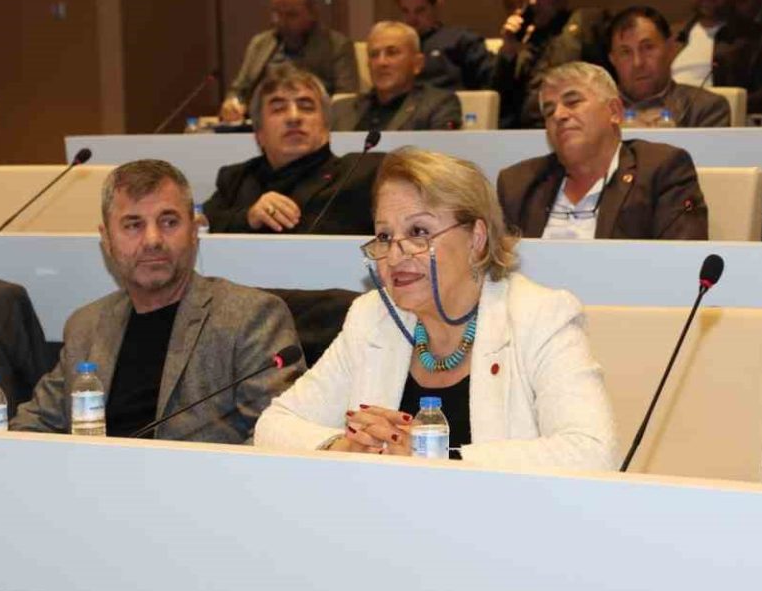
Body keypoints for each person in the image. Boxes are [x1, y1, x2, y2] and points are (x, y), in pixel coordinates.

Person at [254, 147, 619, 470]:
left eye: (418, 232)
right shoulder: (373, 316)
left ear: (476, 239)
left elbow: (593, 451)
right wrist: (345, 445)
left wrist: (438, 459)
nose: (395, 255)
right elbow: (274, 424)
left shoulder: (540, 317)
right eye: (384, 236)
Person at [12, 160, 303, 442]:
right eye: (133, 225)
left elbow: (279, 436)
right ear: (107, 239)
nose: (152, 240)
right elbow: (31, 426)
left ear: (194, 231)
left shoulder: (251, 316)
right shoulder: (86, 326)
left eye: (169, 222)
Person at [497, 63, 708, 240]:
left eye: (573, 102)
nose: (559, 115)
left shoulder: (661, 170)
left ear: (614, 111)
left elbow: (681, 261)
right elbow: (496, 267)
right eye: (549, 111)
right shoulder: (518, 184)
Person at [203, 65, 383, 236]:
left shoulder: (361, 174)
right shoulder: (236, 180)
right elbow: (202, 226)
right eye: (278, 109)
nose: (293, 117)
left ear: (326, 126)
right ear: (259, 133)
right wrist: (248, 218)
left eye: (306, 107)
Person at [491, 0, 609, 129]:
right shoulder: (522, 39)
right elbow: (500, 102)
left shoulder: (584, 23)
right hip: (525, 130)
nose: (533, 1)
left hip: (575, 125)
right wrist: (508, 51)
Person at [220, 0, 358, 122]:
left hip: (309, 122)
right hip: (258, 124)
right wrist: (232, 104)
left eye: (291, 15)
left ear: (313, 13)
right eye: (277, 13)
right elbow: (238, 90)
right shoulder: (260, 44)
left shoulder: (337, 46)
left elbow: (346, 101)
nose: (280, 21)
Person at [607, 7, 731, 127]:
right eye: (625, 52)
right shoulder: (600, 110)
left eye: (648, 47)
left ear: (671, 48)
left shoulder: (706, 108)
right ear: (612, 59)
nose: (638, 63)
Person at [330, 21, 461, 133]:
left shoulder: (438, 105)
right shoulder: (341, 109)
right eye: (374, 54)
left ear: (417, 64)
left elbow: (440, 154)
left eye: (392, 53)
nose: (381, 62)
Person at [394, 0, 495, 91]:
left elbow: (494, 82)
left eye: (420, 10)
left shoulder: (461, 40)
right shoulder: (392, 48)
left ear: (438, 5)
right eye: (405, 11)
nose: (411, 20)